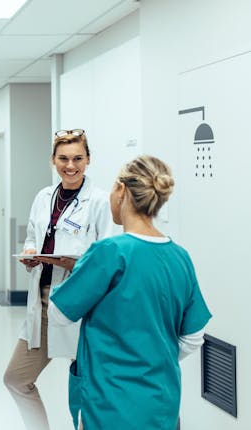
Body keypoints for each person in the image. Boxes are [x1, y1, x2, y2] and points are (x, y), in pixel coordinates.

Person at [49, 155, 211, 430]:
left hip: (108, 402)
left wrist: (80, 271)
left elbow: (60, 313)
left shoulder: (109, 252)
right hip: (162, 402)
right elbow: (194, 337)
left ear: (121, 191)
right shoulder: (179, 257)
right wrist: (152, 358)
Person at [3, 129, 119, 430]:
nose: (71, 165)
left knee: (87, 386)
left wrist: (74, 265)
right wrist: (30, 253)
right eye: (64, 158)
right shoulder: (44, 197)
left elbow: (109, 257)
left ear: (88, 160)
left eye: (78, 158)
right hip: (43, 303)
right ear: (53, 160)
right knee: (16, 378)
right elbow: (33, 236)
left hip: (82, 307)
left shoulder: (100, 201)